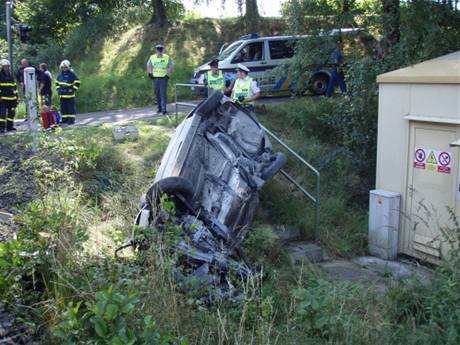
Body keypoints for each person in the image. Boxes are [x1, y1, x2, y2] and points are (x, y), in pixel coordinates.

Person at [147, 44, 173, 115]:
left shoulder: (167, 57)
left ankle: (164, 110)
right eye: (158, 49)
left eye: (161, 49)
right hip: (155, 78)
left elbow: (171, 66)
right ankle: (159, 108)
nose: (159, 51)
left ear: (163, 50)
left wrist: (168, 75)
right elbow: (148, 65)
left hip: (163, 78)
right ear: (156, 50)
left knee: (163, 94)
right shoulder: (152, 57)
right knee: (157, 94)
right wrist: (150, 73)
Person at [56, 60, 80, 125]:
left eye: (66, 67)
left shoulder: (72, 74)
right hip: (62, 95)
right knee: (63, 108)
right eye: (63, 67)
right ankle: (64, 119)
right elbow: (57, 83)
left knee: (70, 108)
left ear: (68, 67)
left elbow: (77, 82)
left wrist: (73, 89)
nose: (64, 69)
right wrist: (58, 90)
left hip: (70, 96)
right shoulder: (60, 75)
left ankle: (71, 120)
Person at [0, 59, 18, 133]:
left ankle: (9, 127)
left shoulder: (11, 76)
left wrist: (16, 96)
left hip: (12, 98)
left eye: (8, 66)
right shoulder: (0, 76)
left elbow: (14, 86)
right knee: (2, 114)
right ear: (2, 67)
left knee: (11, 113)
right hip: (3, 99)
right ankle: (1, 128)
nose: (7, 68)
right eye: (5, 67)